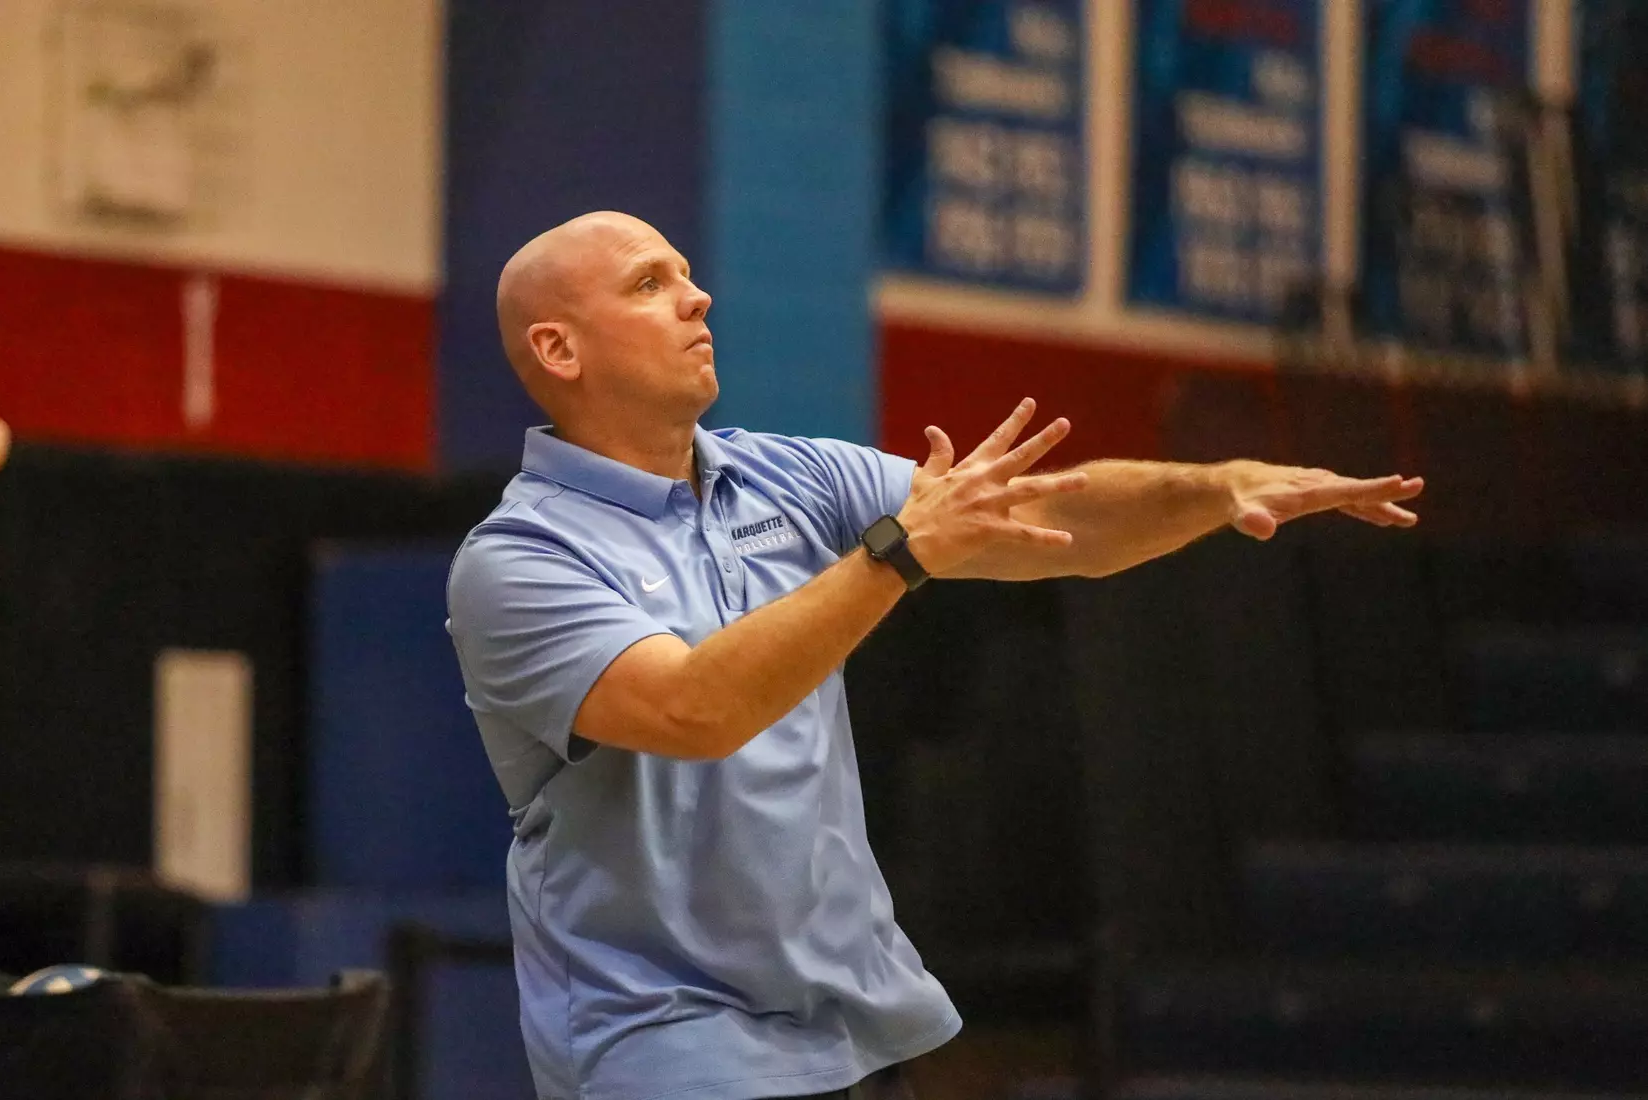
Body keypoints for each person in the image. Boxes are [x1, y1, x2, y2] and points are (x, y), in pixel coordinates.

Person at [445, 211, 1424, 1100]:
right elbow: (694, 711)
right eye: (650, 282)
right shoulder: (522, 559)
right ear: (557, 346)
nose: (698, 296)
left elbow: (1055, 518)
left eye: (689, 272)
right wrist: (896, 553)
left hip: (858, 1037)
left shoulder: (791, 474)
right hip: (673, 1050)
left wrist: (1219, 486)